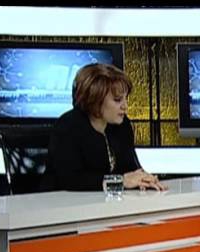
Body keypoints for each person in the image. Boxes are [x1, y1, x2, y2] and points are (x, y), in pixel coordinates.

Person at [44, 63, 165, 192]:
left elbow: (130, 169)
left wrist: (143, 179)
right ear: (95, 100)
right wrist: (120, 181)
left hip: (109, 201)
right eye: (117, 100)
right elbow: (71, 180)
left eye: (126, 99)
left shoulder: (122, 125)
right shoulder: (67, 127)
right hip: (62, 202)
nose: (125, 106)